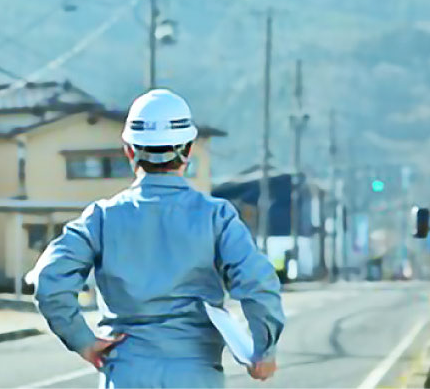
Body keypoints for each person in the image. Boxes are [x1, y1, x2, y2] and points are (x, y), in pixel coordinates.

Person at [29, 89, 284, 388]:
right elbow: (258, 283)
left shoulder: (101, 218)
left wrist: (82, 340)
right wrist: (263, 351)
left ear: (129, 151)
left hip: (125, 375)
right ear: (188, 151)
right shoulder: (217, 217)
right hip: (197, 375)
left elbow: (49, 278)